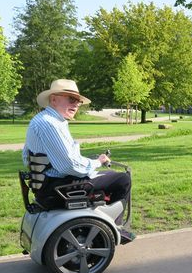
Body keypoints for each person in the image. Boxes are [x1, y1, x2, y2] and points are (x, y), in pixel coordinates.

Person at [23, 79, 133, 236]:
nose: (76, 104)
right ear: (54, 99)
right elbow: (69, 165)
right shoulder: (50, 124)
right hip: (56, 188)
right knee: (122, 179)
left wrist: (89, 163)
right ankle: (114, 227)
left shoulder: (42, 120)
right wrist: (97, 162)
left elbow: (26, 157)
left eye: (78, 101)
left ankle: (101, 222)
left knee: (107, 176)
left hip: (47, 185)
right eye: (71, 99)